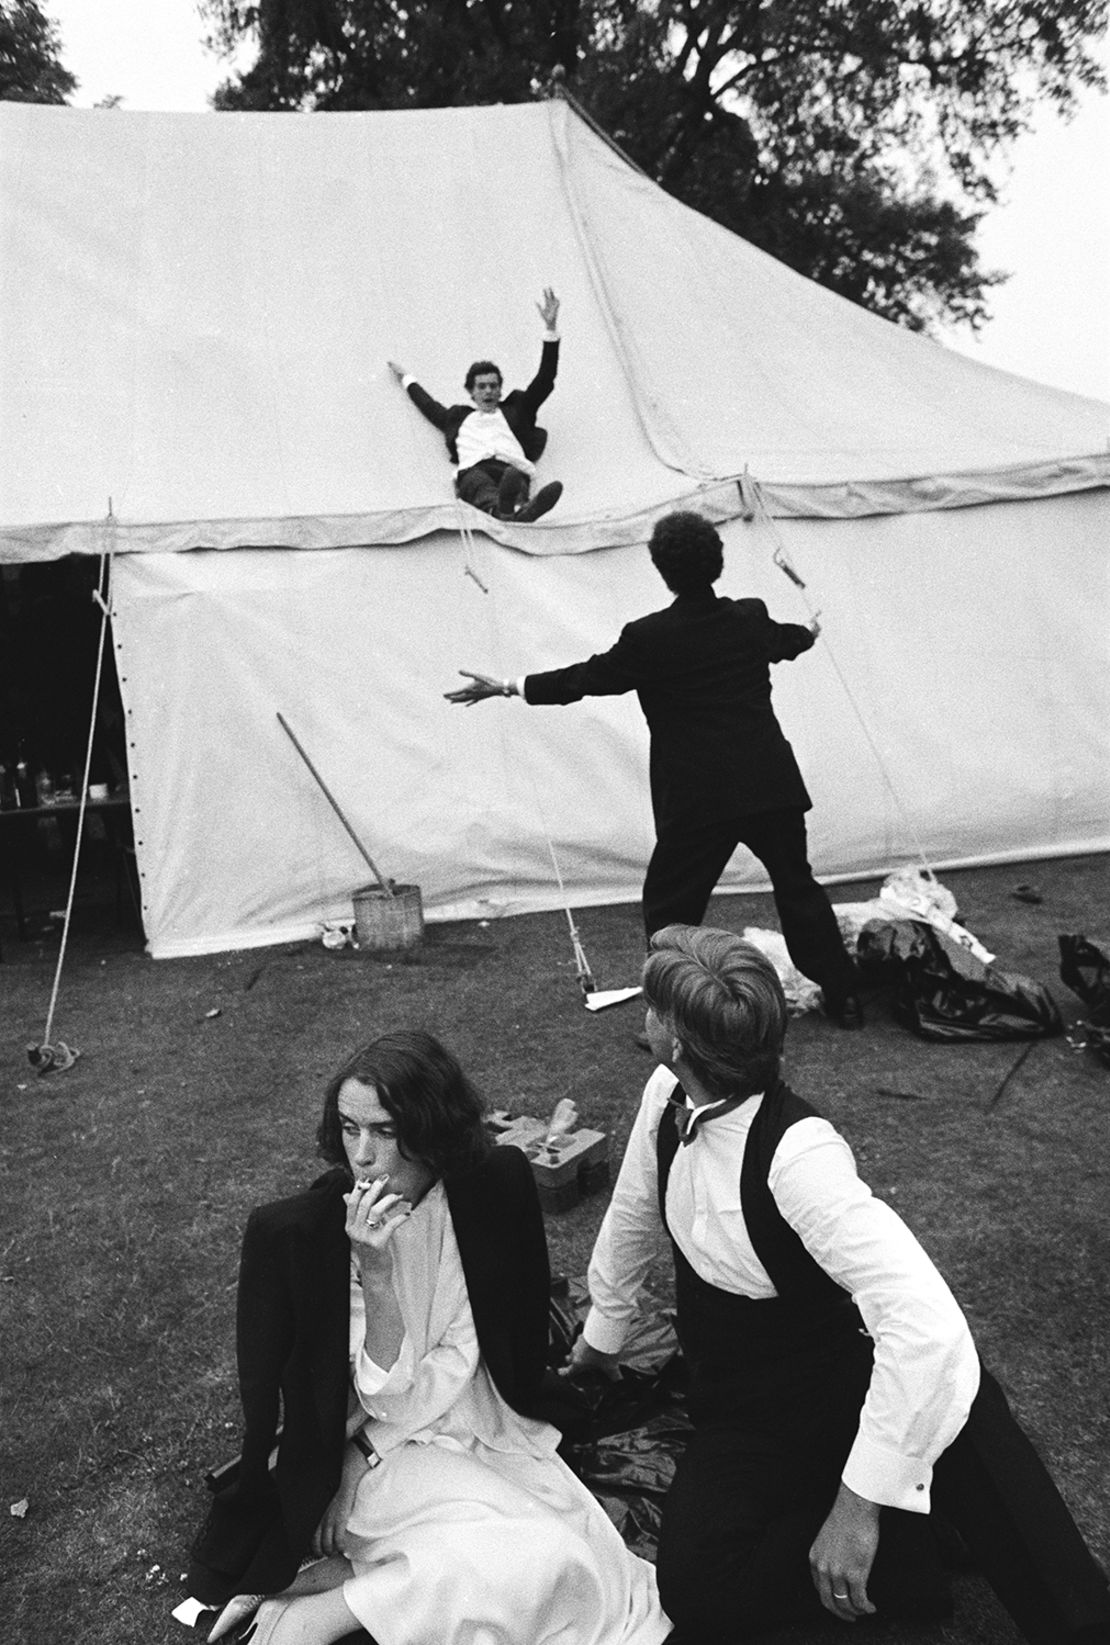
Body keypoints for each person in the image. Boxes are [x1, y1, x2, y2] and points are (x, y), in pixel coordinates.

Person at [568, 925, 1110, 1644]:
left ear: (676, 1038)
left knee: (965, 1408)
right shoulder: (666, 1094)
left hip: (843, 1385)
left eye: (651, 1008)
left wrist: (857, 1505)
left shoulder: (799, 1156)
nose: (643, 1018)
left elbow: (925, 1324)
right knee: (697, 1584)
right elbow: (633, 1212)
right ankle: (906, 1554)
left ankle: (916, 1529)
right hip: (744, 1407)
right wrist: (599, 1343)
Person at [187, 1029, 668, 1645]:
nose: (361, 1154)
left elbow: (464, 1354)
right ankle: (315, 1611)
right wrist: (378, 1274)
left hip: (468, 1419)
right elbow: (374, 1395)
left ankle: (332, 1600)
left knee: (576, 1557)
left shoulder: (489, 1187)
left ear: (429, 1131)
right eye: (349, 1126)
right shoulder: (311, 1233)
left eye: (385, 1132)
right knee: (542, 1558)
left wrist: (367, 1453)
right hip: (374, 1444)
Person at [446, 509, 861, 1027]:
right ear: (718, 562)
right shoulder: (749, 617)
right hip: (768, 783)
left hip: (697, 797)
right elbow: (785, 641)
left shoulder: (650, 638)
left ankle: (672, 1015)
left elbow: (583, 680)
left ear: (662, 571)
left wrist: (509, 685)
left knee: (670, 912)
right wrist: (809, 633)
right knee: (797, 888)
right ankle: (843, 995)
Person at [388, 288, 564, 523]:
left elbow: (544, 379)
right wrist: (406, 378)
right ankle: (511, 511)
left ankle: (516, 508)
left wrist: (550, 330)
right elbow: (428, 405)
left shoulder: (517, 411)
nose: (488, 391)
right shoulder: (458, 419)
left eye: (493, 386)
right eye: (481, 387)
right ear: (471, 392)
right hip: (475, 469)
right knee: (478, 484)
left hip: (510, 466)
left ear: (501, 390)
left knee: (513, 480)